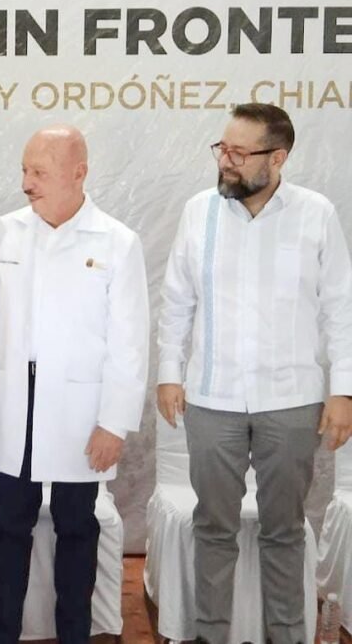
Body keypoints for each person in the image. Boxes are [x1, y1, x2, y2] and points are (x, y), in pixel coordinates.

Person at [157, 103, 352, 644]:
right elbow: (177, 299)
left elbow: (341, 308)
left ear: (278, 157)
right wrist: (169, 372)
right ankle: (210, 635)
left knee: (284, 530)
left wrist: (343, 391)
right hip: (212, 398)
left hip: (291, 401)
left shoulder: (315, 214)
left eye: (240, 153)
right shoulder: (199, 211)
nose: (226, 161)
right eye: (223, 149)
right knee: (212, 528)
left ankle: (287, 636)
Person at [0, 125, 149, 644]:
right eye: (24, 170)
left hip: (80, 415)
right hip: (15, 408)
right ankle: (1, 633)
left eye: (38, 172)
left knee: (76, 530)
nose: (26, 182)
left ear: (78, 173)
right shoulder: (9, 230)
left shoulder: (116, 242)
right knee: (8, 527)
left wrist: (114, 423)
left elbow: (130, 342)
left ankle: (74, 635)